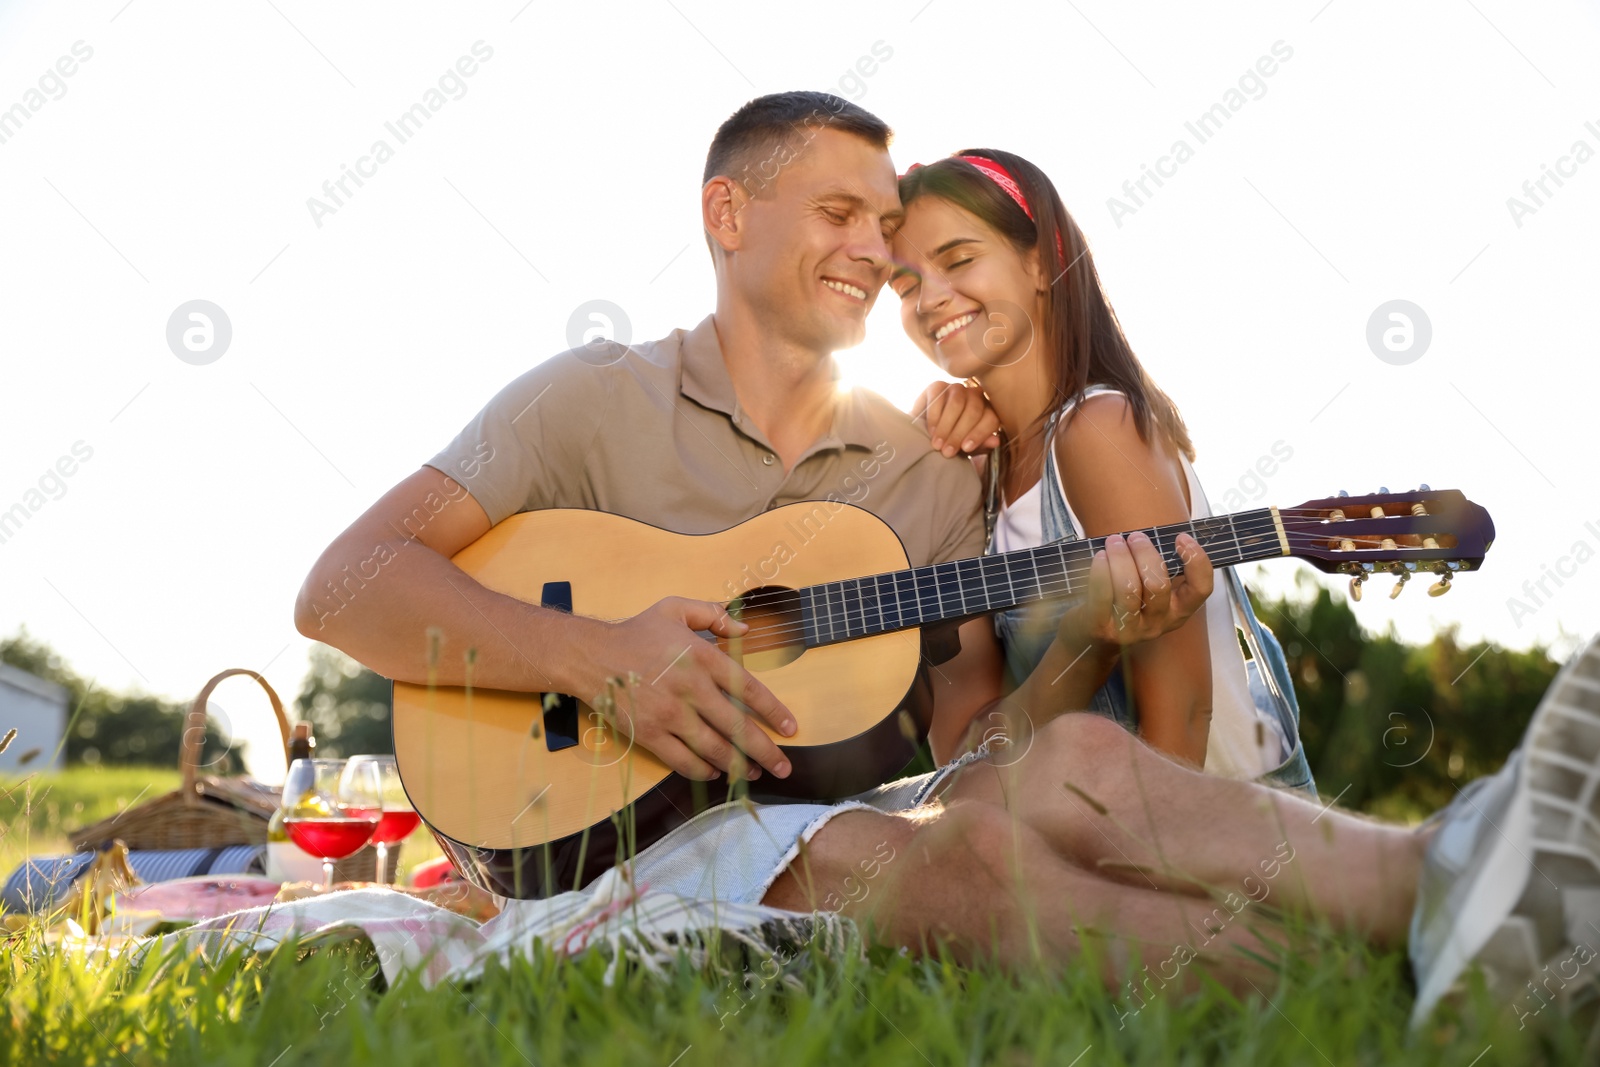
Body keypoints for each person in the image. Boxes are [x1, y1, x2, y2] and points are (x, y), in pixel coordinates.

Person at [294, 90, 1600, 1027]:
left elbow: (980, 750)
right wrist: (605, 658)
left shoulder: (923, 467)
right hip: (601, 835)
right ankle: (1420, 969)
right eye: (843, 211)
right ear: (728, 212)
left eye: (890, 224)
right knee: (909, 858)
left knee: (1075, 761)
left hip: (811, 819)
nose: (876, 252)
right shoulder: (589, 401)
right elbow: (344, 586)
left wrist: (1090, 628)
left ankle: (1461, 876)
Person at [891, 150, 1313, 791]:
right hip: (1070, 857)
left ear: (1041, 259)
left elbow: (1180, 734)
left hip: (1225, 856)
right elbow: (966, 754)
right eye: (905, 284)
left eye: (959, 259)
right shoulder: (963, 485)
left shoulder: (1100, 431)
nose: (931, 298)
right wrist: (1083, 643)